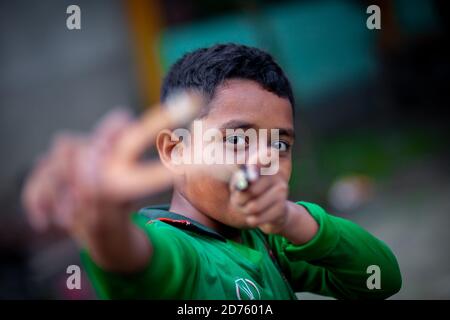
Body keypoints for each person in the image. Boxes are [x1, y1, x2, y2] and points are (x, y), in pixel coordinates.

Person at [22, 44, 401, 299]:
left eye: (281, 144)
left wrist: (289, 218)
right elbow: (136, 260)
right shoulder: (179, 251)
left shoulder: (270, 241)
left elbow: (381, 278)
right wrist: (104, 220)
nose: (264, 161)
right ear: (174, 150)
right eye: (237, 139)